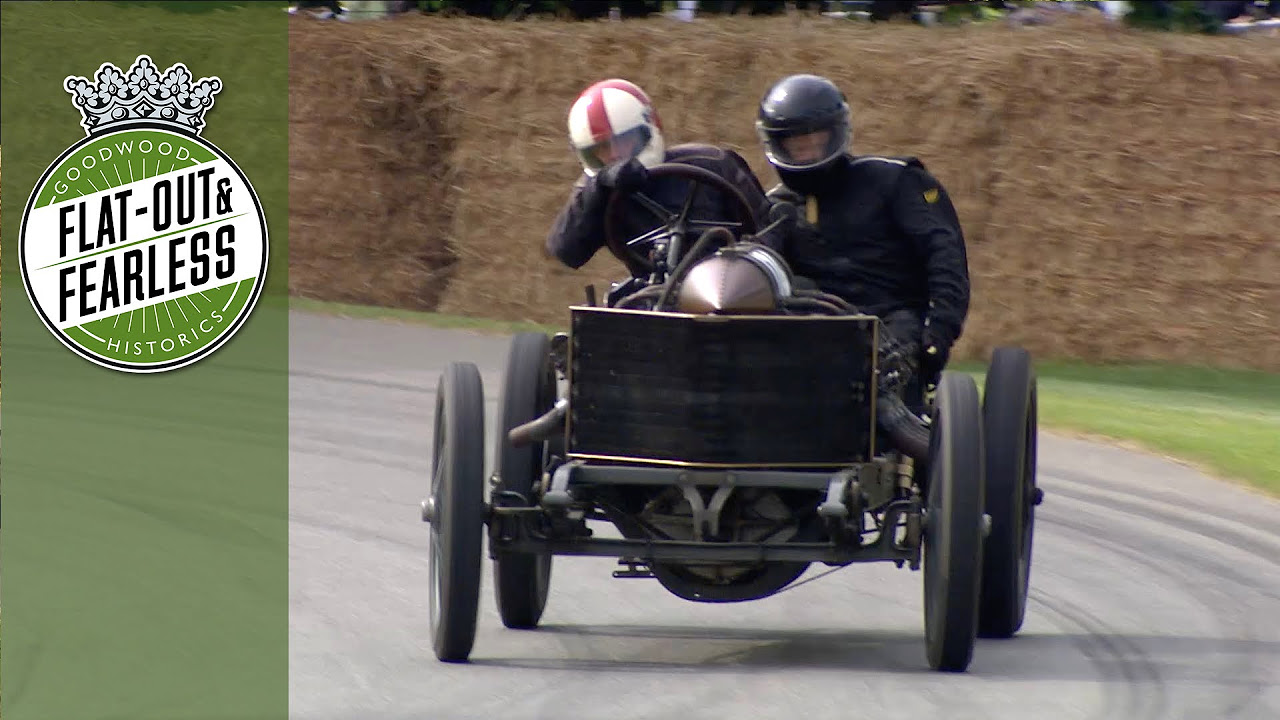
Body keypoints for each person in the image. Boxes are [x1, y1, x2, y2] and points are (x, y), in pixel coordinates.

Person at [754, 73, 971, 396]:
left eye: (818, 140)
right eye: (799, 144)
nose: (811, 151)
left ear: (837, 135)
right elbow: (753, 273)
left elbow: (943, 253)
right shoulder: (774, 208)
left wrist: (938, 332)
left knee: (890, 355)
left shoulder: (896, 181)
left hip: (888, 322)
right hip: (803, 329)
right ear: (778, 145)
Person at [545, 78, 784, 279]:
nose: (615, 155)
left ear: (648, 130)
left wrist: (744, 265)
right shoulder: (597, 190)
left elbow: (769, 228)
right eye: (602, 150)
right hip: (655, 294)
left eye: (623, 142)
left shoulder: (714, 163)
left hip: (732, 285)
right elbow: (566, 251)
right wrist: (600, 186)